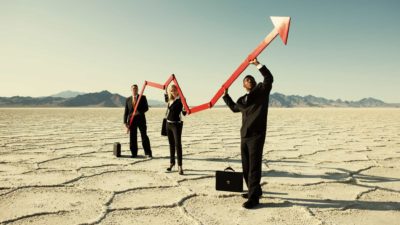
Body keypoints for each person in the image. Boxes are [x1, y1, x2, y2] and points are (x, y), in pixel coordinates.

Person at [222, 58, 273, 209]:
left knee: (254, 167)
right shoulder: (242, 100)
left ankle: (254, 198)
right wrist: (225, 95)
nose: (249, 80)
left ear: (254, 82)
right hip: (244, 135)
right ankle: (254, 189)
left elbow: (269, 78)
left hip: (256, 135)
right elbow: (233, 108)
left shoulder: (261, 91)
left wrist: (257, 64)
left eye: (251, 79)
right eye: (246, 80)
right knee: (246, 166)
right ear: (243, 85)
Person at [124, 84, 152, 158]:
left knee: (144, 136)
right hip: (131, 121)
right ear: (131, 90)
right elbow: (126, 112)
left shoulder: (142, 97)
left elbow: (146, 108)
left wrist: (138, 112)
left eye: (136, 88)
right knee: (132, 137)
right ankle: (134, 153)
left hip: (141, 120)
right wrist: (125, 122)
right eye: (133, 89)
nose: (134, 90)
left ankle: (148, 153)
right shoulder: (128, 99)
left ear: (138, 89)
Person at [164, 84, 186, 175]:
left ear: (178, 90)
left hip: (177, 125)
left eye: (174, 90)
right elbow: (165, 94)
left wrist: (185, 108)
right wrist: (166, 90)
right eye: (171, 90)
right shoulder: (170, 100)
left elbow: (184, 113)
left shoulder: (181, 100)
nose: (173, 92)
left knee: (178, 145)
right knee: (171, 145)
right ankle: (172, 163)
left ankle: (180, 166)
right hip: (168, 124)